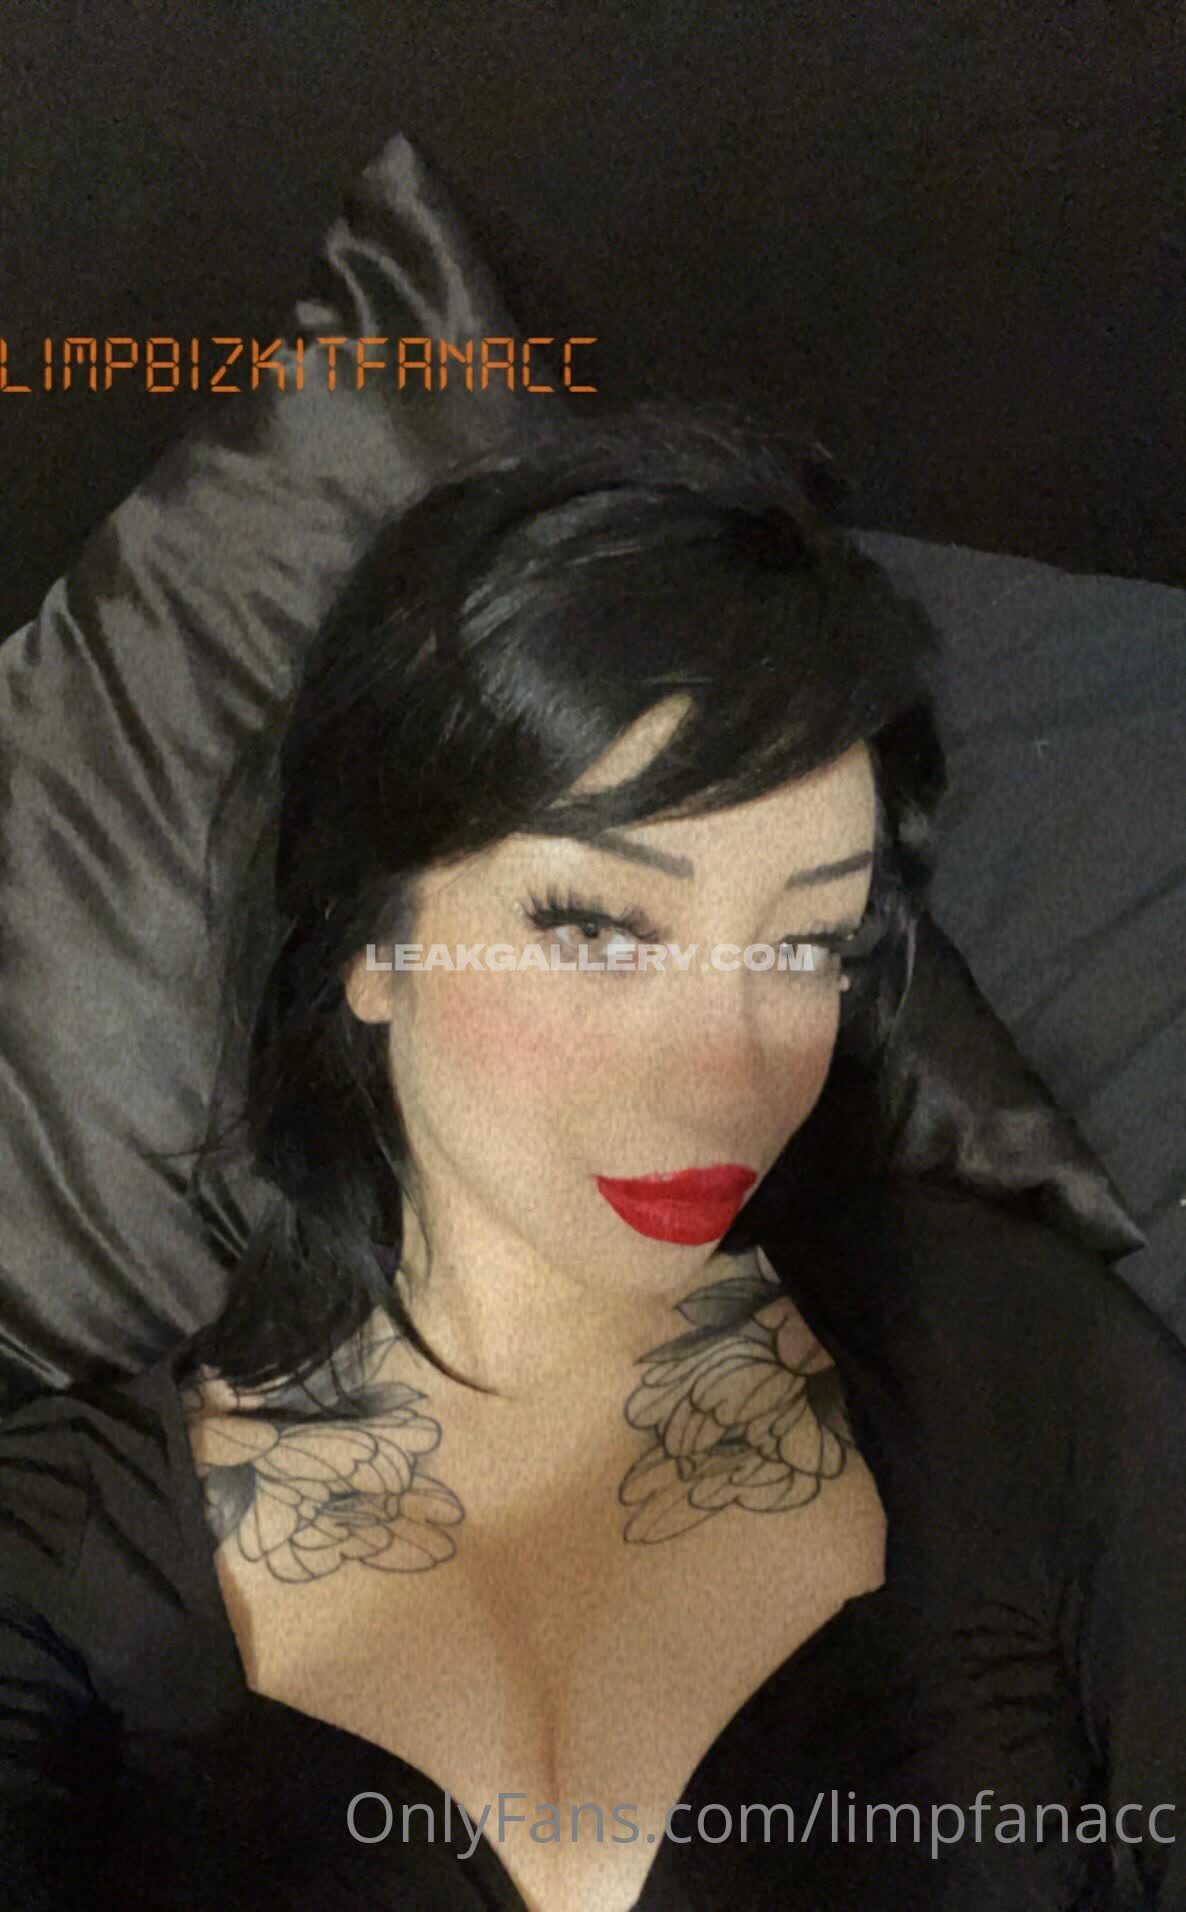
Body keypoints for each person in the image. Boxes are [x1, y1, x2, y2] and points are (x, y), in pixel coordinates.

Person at [0, 400, 1183, 1912]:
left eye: (804, 945)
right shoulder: (60, 1559)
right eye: (601, 929)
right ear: (370, 938)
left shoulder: (1008, 1363)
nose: (724, 1080)